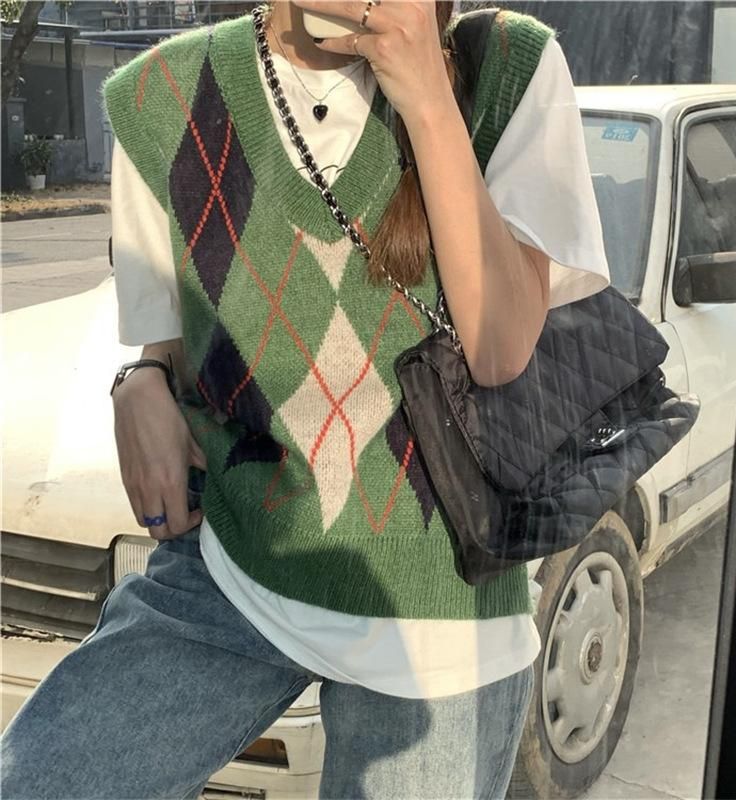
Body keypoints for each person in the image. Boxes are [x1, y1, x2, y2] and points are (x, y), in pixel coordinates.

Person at [0, 1, 610, 797]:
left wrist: (427, 97)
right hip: (233, 567)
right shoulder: (160, 96)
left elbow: (499, 347)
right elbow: (177, 342)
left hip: (442, 617)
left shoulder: (508, 68)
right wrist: (140, 378)